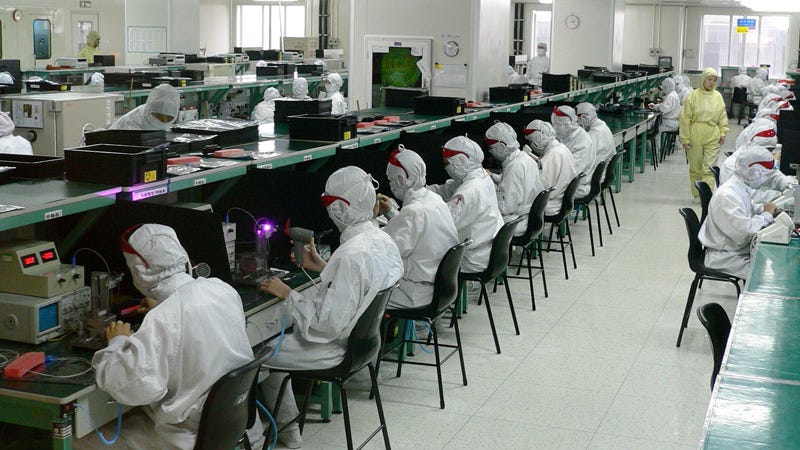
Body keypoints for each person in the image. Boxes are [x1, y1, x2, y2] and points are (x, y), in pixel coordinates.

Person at [258, 166, 403, 448]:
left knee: (252, 352)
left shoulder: (351, 253)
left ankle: (279, 433)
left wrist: (288, 293)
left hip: (333, 349)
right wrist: (323, 267)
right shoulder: (380, 239)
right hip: (365, 346)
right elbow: (362, 288)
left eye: (327, 202)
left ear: (339, 208)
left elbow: (326, 326)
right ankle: (283, 427)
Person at [92, 224, 260, 450]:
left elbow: (130, 386)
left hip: (185, 434)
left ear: (139, 270)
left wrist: (117, 341)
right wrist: (162, 305)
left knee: (84, 437)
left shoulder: (164, 318)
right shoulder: (222, 290)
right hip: (227, 422)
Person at [377, 145, 459, 309]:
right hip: (439, 287)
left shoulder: (413, 212)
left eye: (391, 180)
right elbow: (414, 232)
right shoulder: (434, 199)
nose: (391, 184)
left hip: (414, 292)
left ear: (401, 180)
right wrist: (392, 212)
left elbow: (385, 250)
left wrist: (368, 221)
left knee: (362, 294)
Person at [427, 136, 504, 273]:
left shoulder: (469, 191)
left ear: (461, 161)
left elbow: (444, 223)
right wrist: (421, 191)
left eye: (447, 163)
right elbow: (447, 189)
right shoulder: (480, 176)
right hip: (488, 250)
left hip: (472, 259)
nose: (445, 168)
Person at [699, 146, 777, 279]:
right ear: (752, 172)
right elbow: (745, 232)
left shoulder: (739, 186)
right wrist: (767, 215)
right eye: (763, 174)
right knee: (770, 277)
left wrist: (765, 209)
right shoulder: (728, 195)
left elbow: (749, 208)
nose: (764, 179)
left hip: (734, 250)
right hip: (726, 257)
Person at [484, 121, 544, 235]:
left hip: (517, 221)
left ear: (501, 146)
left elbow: (506, 207)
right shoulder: (524, 157)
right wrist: (493, 176)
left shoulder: (514, 167)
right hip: (529, 216)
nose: (490, 151)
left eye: (491, 147)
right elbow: (513, 184)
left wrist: (486, 197)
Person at [679, 67, 728, 202]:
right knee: (695, 167)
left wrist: (723, 132)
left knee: (709, 167)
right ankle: (696, 194)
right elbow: (685, 118)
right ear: (703, 80)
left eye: (714, 80)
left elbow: (722, 116)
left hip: (713, 132)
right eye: (709, 79)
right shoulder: (693, 96)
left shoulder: (718, 97)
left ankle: (706, 194)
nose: (711, 83)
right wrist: (685, 138)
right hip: (695, 133)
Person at [523, 119, 579, 215]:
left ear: (538, 139)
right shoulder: (561, 148)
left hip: (551, 205)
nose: (531, 145)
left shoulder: (552, 154)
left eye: (530, 142)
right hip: (561, 200)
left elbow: (540, 187)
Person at [551, 105, 595, 198]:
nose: (554, 128)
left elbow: (573, 171)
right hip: (567, 182)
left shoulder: (582, 140)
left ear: (567, 124)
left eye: (557, 125)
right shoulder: (566, 136)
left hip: (576, 187)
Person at [109, 84, 181, 130]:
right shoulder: (132, 125)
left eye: (169, 118)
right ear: (150, 111)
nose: (164, 122)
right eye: (160, 117)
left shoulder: (150, 116)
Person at [576, 102, 617, 183]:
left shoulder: (594, 135)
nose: (578, 122)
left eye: (578, 119)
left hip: (595, 178)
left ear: (584, 117)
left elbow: (585, 160)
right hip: (602, 174)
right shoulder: (602, 125)